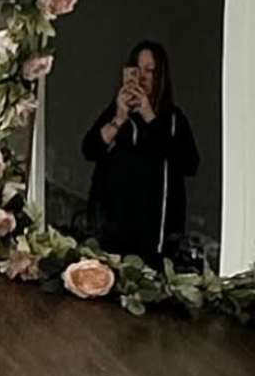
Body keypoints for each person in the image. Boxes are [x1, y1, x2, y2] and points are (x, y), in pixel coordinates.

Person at [82, 39, 198, 263]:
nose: (142, 77)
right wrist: (119, 118)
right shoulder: (116, 111)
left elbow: (189, 163)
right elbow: (89, 149)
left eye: (149, 70)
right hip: (113, 224)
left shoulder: (173, 119)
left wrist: (148, 114)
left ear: (159, 76)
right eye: (137, 70)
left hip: (153, 230)